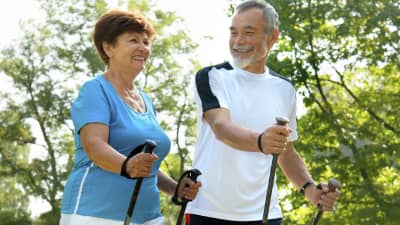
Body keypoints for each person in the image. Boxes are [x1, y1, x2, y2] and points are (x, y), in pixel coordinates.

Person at [186, 1, 339, 225]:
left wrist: (309, 189)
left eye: (248, 33)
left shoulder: (284, 89)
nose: (238, 41)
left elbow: (286, 152)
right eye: (234, 32)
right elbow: (221, 127)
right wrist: (260, 141)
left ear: (272, 37)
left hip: (266, 215)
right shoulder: (212, 76)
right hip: (209, 213)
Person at [59, 9, 201, 225]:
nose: (143, 48)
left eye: (146, 42)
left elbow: (145, 165)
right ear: (108, 48)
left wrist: (175, 189)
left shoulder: (146, 100)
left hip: (148, 217)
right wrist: (126, 165)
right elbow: (94, 145)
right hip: (95, 213)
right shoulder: (95, 90)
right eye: (133, 40)